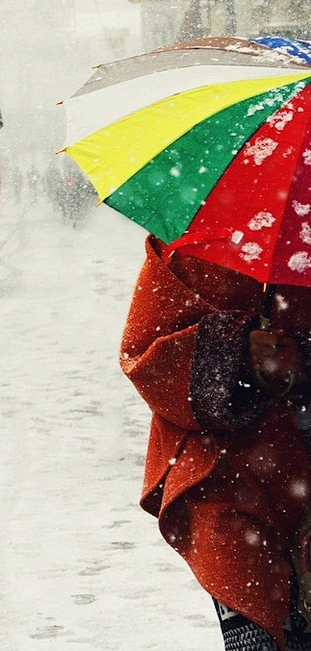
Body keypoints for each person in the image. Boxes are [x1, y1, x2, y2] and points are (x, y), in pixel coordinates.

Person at [120, 234, 311, 651]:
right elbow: (148, 352)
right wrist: (240, 355)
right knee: (259, 631)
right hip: (233, 487)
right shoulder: (200, 238)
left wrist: (302, 360)